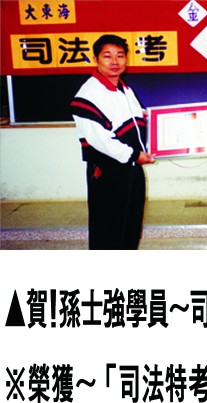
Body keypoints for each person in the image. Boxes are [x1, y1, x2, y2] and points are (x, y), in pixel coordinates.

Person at [70, 34, 155, 250]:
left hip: (131, 168)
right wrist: (134, 155)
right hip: (108, 171)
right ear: (95, 59)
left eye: (120, 55)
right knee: (109, 231)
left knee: (130, 227)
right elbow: (100, 140)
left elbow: (135, 120)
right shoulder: (88, 94)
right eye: (107, 56)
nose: (115, 61)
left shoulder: (124, 89)